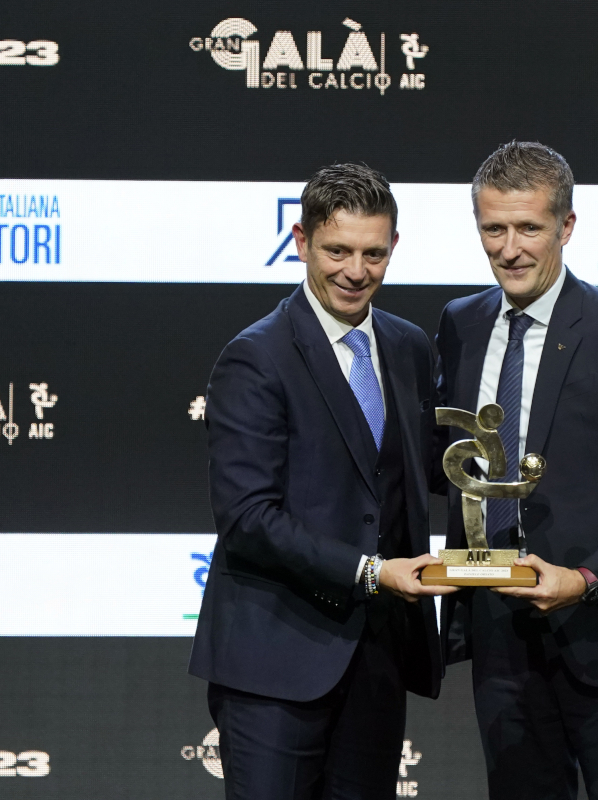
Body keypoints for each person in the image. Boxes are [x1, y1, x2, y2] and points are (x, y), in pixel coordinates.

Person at [433, 142, 598, 800]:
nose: (511, 248)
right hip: (502, 644)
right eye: (494, 229)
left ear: (567, 227)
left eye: (529, 228)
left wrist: (585, 579)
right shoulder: (459, 326)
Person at [189, 163, 456, 800]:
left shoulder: (410, 346)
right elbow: (249, 518)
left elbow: (417, 475)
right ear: (301, 240)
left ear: (394, 248)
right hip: (275, 662)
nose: (355, 271)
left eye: (373, 253)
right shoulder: (257, 356)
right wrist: (371, 571)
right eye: (336, 250)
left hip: (378, 659)